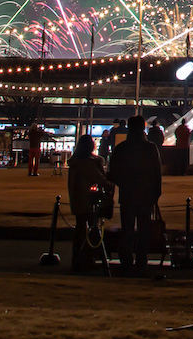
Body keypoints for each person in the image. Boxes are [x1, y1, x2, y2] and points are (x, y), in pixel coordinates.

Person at [107, 114, 162, 273]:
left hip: (127, 194)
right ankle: (141, 260)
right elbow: (156, 173)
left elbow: (113, 173)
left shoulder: (122, 148)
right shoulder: (150, 148)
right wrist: (155, 194)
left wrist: (123, 183)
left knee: (127, 230)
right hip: (145, 195)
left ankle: (126, 261)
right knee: (144, 230)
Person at [67, 130, 110, 272]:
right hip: (88, 200)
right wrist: (109, 186)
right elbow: (98, 179)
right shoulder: (87, 162)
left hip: (78, 198)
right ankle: (86, 258)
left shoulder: (75, 161)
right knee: (90, 229)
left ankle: (78, 257)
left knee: (80, 229)